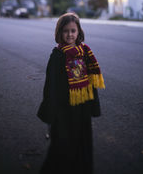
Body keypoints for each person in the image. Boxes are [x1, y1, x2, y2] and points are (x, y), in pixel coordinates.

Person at [37, 12, 105, 174]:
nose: (69, 34)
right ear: (59, 33)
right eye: (66, 31)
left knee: (82, 141)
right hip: (63, 107)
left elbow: (91, 82)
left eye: (73, 31)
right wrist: (50, 110)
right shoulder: (58, 55)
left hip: (82, 106)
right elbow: (50, 85)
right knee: (61, 143)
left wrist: (93, 106)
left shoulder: (85, 52)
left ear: (78, 32)